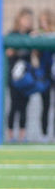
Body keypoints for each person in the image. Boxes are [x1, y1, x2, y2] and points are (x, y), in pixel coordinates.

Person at [6, 7, 34, 143]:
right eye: (25, 18)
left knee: (24, 106)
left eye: (29, 19)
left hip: (27, 77)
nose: (27, 22)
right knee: (13, 105)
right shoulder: (12, 34)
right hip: (14, 76)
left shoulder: (32, 34)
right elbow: (9, 52)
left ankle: (23, 135)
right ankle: (10, 134)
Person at [36, 9, 55, 141]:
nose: (42, 24)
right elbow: (36, 56)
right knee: (45, 105)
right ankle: (44, 134)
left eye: (45, 21)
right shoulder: (38, 36)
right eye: (41, 22)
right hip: (44, 74)